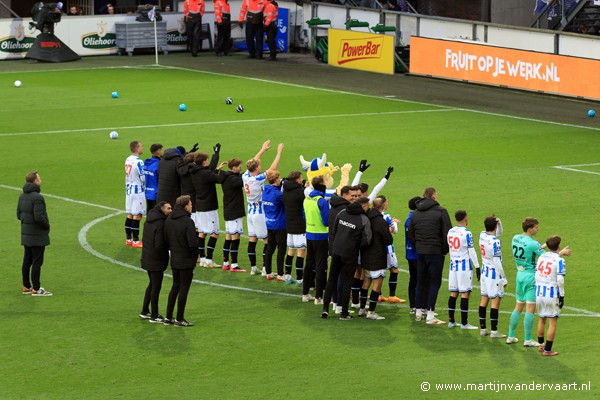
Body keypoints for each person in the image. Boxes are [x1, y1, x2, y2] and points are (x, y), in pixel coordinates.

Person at [507, 217, 571, 346]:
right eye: (536, 227)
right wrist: (562, 252)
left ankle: (510, 336)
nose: (538, 229)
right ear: (530, 229)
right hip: (531, 276)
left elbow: (529, 249)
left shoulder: (515, 238)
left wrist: (544, 245)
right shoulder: (533, 243)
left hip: (519, 274)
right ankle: (528, 339)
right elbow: (548, 259)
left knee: (518, 306)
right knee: (530, 309)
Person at [322, 197, 371, 320]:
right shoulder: (363, 219)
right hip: (350, 253)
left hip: (337, 250)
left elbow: (334, 230)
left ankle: (325, 309)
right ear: (363, 206)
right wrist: (356, 244)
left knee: (332, 279)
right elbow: (367, 239)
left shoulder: (342, 213)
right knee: (346, 282)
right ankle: (344, 313)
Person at [407, 187, 452, 325]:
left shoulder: (415, 213)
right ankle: (430, 314)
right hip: (435, 252)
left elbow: (411, 233)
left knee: (420, 280)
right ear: (433, 196)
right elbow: (447, 233)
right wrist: (444, 250)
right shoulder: (441, 211)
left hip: (421, 252)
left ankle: (418, 312)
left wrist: (418, 246)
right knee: (434, 282)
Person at [242, 140, 284, 276]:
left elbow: (253, 163)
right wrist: (278, 153)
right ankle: (266, 269)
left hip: (250, 211)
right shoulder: (257, 179)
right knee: (267, 241)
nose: (260, 166)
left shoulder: (245, 176)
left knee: (252, 239)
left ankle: (253, 268)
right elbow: (272, 169)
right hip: (259, 212)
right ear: (256, 168)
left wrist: (262, 150)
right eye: (259, 165)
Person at [163, 195, 197, 327]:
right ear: (185, 206)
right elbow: (192, 243)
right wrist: (195, 256)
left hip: (175, 258)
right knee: (184, 289)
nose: (192, 206)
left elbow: (166, 239)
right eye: (190, 204)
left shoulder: (169, 219)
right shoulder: (188, 221)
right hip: (186, 260)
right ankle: (179, 318)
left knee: (175, 286)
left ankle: (168, 317)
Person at [191, 145, 226, 269]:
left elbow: (209, 178)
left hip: (199, 206)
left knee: (201, 232)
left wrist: (216, 169)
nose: (207, 161)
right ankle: (209, 259)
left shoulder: (194, 172)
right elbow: (219, 179)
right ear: (203, 162)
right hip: (209, 207)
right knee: (214, 233)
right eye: (206, 160)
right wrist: (226, 173)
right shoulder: (205, 173)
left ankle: (202, 259)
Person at [358, 196, 393, 320]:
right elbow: (388, 240)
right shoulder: (380, 222)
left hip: (365, 255)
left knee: (366, 283)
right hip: (377, 256)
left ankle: (362, 309)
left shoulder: (365, 218)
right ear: (383, 206)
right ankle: (371, 312)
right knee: (377, 285)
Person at [17, 171, 52, 296]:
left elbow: (18, 215)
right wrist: (47, 226)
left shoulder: (22, 196)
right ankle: (36, 289)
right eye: (39, 178)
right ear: (35, 181)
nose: (40, 180)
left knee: (27, 260)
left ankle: (26, 286)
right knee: (37, 261)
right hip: (37, 235)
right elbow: (39, 217)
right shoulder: (37, 197)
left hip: (26, 234)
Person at [446, 210, 480, 329]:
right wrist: (477, 266)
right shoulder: (467, 233)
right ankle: (464, 323)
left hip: (453, 266)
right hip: (464, 267)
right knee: (465, 293)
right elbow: (471, 251)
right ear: (466, 218)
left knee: (454, 292)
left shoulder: (450, 231)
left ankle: (451, 321)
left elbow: (450, 248)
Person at [140, 201, 172, 323]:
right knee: (156, 287)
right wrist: (165, 255)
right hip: (155, 260)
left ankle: (145, 311)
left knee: (152, 284)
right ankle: (154, 315)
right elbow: (159, 245)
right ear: (162, 209)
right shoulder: (160, 223)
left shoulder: (149, 220)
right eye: (168, 208)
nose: (171, 210)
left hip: (147, 257)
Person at [535, 236, 568, 357]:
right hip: (551, 293)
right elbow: (560, 280)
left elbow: (537, 273)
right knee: (552, 322)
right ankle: (547, 350)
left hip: (539, 292)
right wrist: (562, 295)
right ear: (559, 246)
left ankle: (541, 345)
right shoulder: (560, 260)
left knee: (541, 318)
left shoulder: (541, 257)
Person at [478, 215, 507, 338]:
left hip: (484, 272)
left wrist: (498, 224)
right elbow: (497, 262)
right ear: (494, 226)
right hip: (494, 274)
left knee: (484, 300)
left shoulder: (482, 235)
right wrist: (503, 277)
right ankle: (494, 332)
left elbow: (497, 233)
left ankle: (483, 329)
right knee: (495, 301)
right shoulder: (495, 242)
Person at [303, 176, 330, 304]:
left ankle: (305, 293)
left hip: (309, 234)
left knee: (309, 264)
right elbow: (326, 222)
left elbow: (304, 216)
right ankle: (318, 297)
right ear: (322, 185)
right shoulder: (322, 201)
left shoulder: (307, 199)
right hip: (321, 236)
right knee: (320, 266)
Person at [218, 158, 246, 272]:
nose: (241, 167)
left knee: (228, 237)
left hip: (228, 210)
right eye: (239, 166)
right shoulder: (232, 179)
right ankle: (234, 265)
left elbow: (240, 176)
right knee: (235, 237)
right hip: (234, 211)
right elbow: (242, 181)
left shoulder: (226, 176)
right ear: (233, 167)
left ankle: (226, 263)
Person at [378, 198, 405, 304]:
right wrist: (395, 223)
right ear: (383, 205)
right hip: (388, 248)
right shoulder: (386, 216)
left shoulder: (371, 216)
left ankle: (379, 295)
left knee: (378, 272)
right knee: (394, 270)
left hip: (376, 248)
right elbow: (394, 230)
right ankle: (392, 296)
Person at [282, 171, 307, 284]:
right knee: (301, 252)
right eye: (300, 178)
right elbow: (304, 200)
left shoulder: (285, 189)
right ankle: (299, 278)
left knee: (291, 250)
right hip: (299, 226)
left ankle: (287, 276)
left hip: (289, 225)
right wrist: (304, 188)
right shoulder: (298, 192)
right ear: (297, 179)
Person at [262, 170, 287, 280]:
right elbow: (286, 201)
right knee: (281, 249)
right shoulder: (278, 194)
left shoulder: (265, 190)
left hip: (269, 223)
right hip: (280, 225)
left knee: (270, 248)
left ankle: (268, 272)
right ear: (276, 179)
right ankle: (280, 274)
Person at [125, 141, 146, 249]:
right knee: (137, 215)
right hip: (138, 191)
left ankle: (128, 239)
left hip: (128, 190)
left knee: (130, 215)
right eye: (141, 146)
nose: (142, 147)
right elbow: (143, 178)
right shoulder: (139, 162)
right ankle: (136, 241)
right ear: (137, 148)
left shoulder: (128, 159)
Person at [405, 196, 421, 314]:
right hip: (416, 254)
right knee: (419, 280)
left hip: (410, 253)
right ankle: (420, 306)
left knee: (413, 279)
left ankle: (413, 306)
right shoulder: (414, 220)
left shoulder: (409, 219)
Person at [144, 143, 163, 211]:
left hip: (147, 192)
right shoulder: (159, 164)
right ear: (158, 152)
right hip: (156, 193)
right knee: (157, 213)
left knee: (149, 211)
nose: (162, 151)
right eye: (161, 150)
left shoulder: (146, 163)